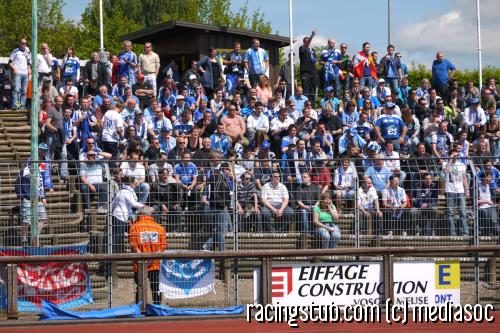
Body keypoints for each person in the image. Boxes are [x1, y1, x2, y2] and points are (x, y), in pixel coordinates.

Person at [129, 206, 167, 305]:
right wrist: (154, 257)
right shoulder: (159, 227)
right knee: (156, 287)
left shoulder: (134, 227)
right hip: (155, 263)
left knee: (140, 287)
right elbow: (162, 246)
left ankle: (140, 307)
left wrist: (141, 256)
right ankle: (157, 307)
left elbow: (134, 246)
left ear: (140, 215)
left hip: (140, 262)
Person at [16, 143, 52, 245]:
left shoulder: (41, 169)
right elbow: (18, 181)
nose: (42, 157)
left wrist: (43, 196)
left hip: (38, 198)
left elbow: (41, 184)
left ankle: (34, 237)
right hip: (27, 197)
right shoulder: (26, 169)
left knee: (44, 218)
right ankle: (24, 240)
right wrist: (21, 195)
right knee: (26, 219)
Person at [111, 176, 145, 253]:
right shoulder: (127, 192)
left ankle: (116, 253)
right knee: (117, 237)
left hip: (116, 216)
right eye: (135, 183)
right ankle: (114, 255)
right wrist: (145, 206)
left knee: (117, 236)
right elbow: (134, 204)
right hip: (121, 217)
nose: (136, 185)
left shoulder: (120, 191)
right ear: (131, 183)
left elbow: (112, 205)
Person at [443, 149, 469, 236]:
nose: (455, 157)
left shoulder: (461, 165)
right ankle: (453, 233)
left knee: (463, 212)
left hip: (460, 190)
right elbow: (446, 171)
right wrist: (450, 160)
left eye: (456, 155)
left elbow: (464, 178)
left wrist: (467, 189)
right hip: (450, 190)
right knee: (450, 213)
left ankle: (464, 233)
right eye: (453, 155)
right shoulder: (445, 163)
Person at [9, 38, 31, 109]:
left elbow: (28, 61)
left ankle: (22, 106)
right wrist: (14, 69)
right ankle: (15, 105)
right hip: (18, 73)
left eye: (25, 43)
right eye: (23, 43)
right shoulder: (15, 51)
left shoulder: (27, 50)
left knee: (24, 91)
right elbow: (10, 62)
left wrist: (29, 68)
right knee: (17, 89)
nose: (24, 44)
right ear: (20, 43)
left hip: (25, 74)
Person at [299, 31, 318, 103]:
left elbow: (314, 60)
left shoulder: (312, 50)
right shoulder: (302, 48)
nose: (309, 42)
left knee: (313, 90)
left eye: (309, 41)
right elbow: (306, 44)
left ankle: (312, 105)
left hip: (313, 72)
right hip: (305, 72)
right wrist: (312, 35)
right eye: (307, 41)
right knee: (306, 90)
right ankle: (305, 104)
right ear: (304, 42)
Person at [478, 172, 499, 236]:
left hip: (490, 206)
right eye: (489, 177)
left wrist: (496, 204)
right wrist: (487, 201)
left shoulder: (491, 186)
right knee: (486, 215)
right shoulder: (477, 187)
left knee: (494, 220)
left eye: (490, 177)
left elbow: (493, 201)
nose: (490, 179)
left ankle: (497, 233)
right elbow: (475, 201)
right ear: (484, 178)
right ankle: (488, 233)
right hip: (481, 207)